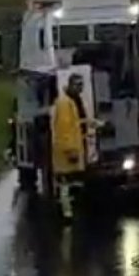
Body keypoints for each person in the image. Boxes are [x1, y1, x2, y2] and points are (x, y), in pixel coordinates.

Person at [50, 74, 93, 220]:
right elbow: (64, 129)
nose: (80, 88)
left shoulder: (73, 101)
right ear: (70, 85)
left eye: (82, 85)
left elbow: (77, 122)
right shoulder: (64, 103)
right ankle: (66, 214)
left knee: (72, 183)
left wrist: (92, 123)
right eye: (77, 84)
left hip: (72, 149)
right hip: (67, 152)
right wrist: (71, 151)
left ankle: (69, 211)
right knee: (66, 184)